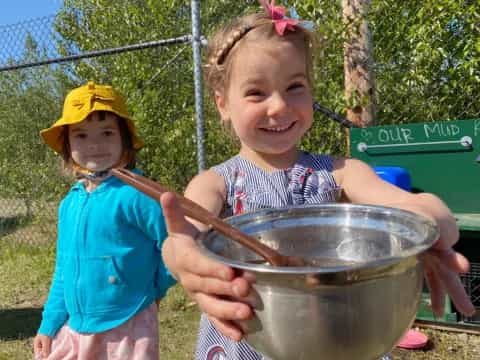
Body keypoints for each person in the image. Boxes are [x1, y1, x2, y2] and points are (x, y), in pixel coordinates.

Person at [159, 1, 476, 359]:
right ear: (223, 105)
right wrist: (183, 258)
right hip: (252, 337)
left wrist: (431, 229)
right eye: (256, 93)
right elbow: (180, 239)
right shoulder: (215, 183)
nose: (278, 106)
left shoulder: (341, 172)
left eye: (294, 86)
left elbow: (415, 209)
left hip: (342, 338)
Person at [33, 82, 176, 360]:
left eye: (107, 133)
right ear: (67, 145)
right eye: (81, 135)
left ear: (124, 139)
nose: (95, 144)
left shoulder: (138, 196)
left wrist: (154, 290)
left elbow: (175, 245)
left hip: (129, 323)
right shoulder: (69, 204)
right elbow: (64, 268)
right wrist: (49, 324)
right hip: (76, 325)